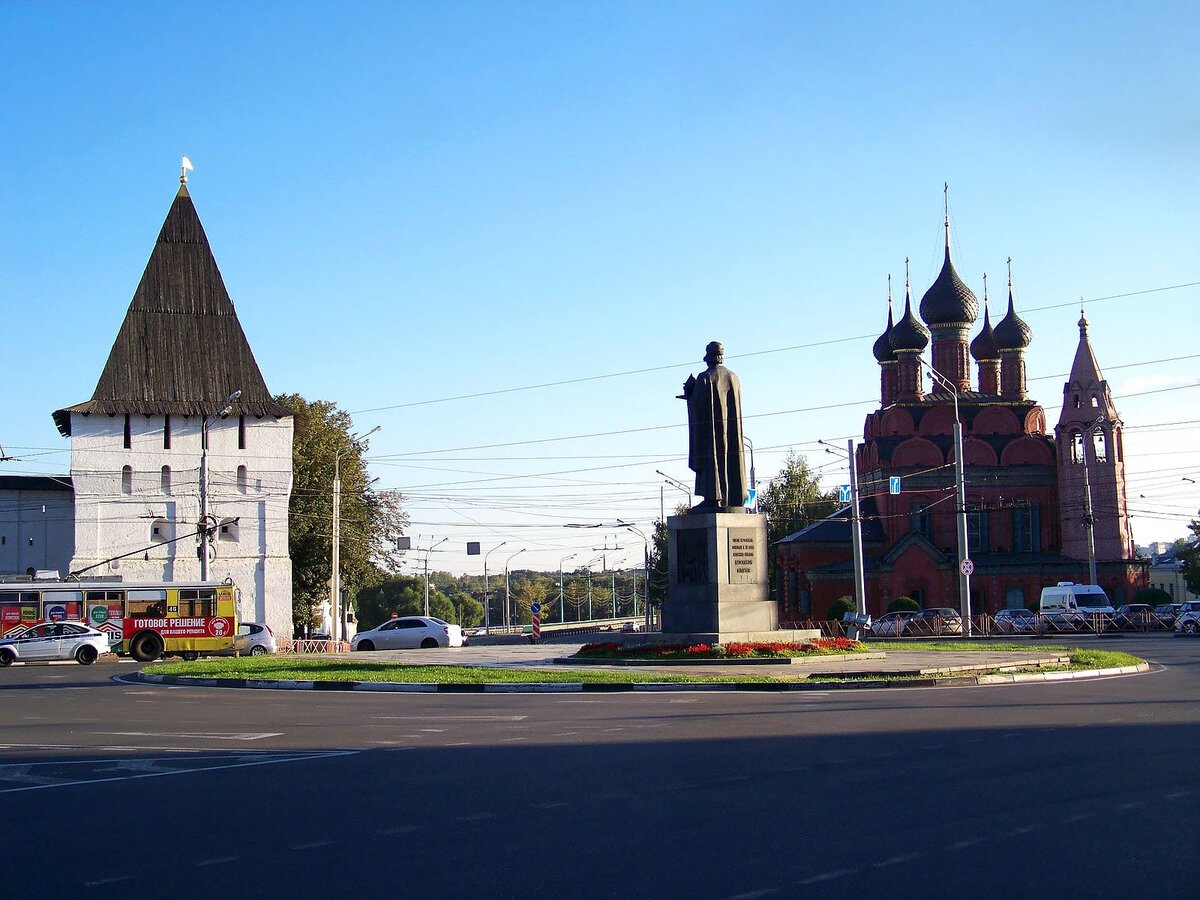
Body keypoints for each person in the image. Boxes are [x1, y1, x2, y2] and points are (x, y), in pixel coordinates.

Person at [681, 341, 748, 509]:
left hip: (710, 434)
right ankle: (732, 496)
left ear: (708, 357)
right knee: (731, 457)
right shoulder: (734, 378)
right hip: (731, 433)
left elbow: (698, 406)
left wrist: (689, 392)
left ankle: (713, 497)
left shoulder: (705, 377)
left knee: (711, 457)